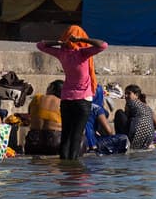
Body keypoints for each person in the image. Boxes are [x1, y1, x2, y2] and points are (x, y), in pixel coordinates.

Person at [36, 25, 108, 160]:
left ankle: (64, 167)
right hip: (83, 101)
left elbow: (40, 45)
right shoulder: (83, 53)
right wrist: (81, 39)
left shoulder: (62, 53)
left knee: (66, 135)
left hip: (66, 100)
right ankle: (73, 168)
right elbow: (103, 45)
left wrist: (58, 43)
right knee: (76, 136)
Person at [113, 84, 156, 150]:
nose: (126, 96)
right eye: (125, 93)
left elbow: (127, 119)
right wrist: (146, 130)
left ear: (136, 95)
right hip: (148, 139)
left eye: (129, 94)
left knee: (119, 113)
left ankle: (120, 141)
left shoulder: (130, 103)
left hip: (134, 135)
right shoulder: (147, 107)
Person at [24, 80, 63, 156]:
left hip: (33, 140)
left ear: (51, 88)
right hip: (54, 140)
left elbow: (30, 114)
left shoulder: (37, 98)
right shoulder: (63, 103)